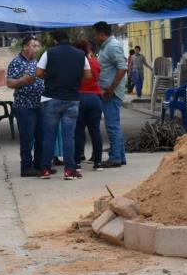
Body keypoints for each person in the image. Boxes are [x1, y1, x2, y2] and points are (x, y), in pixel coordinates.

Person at [36, 29, 91, 180]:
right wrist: (73, 78)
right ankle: (69, 171)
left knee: (49, 136)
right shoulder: (80, 54)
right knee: (69, 136)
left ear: (55, 40)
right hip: (72, 99)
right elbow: (88, 75)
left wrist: (52, 75)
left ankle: (45, 170)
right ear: (69, 38)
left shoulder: (49, 52)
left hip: (51, 98)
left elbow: (39, 73)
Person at [6, 35, 46, 177]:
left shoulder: (37, 62)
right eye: (33, 46)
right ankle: (26, 167)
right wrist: (24, 80)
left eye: (37, 46)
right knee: (27, 138)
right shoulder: (16, 62)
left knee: (41, 137)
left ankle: (40, 165)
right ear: (25, 47)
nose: (36, 49)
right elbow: (10, 83)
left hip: (39, 105)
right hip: (24, 106)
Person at [93, 22, 128, 169]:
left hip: (111, 93)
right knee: (114, 125)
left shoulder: (112, 46)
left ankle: (115, 158)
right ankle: (120, 156)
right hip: (107, 91)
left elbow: (122, 67)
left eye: (96, 34)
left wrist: (112, 88)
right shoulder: (106, 47)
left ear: (102, 34)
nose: (95, 38)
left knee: (112, 126)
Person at [73, 39, 104, 174]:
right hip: (95, 98)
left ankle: (77, 162)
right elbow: (98, 74)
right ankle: (98, 162)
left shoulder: (73, 63)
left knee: (78, 131)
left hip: (78, 98)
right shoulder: (94, 62)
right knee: (95, 131)